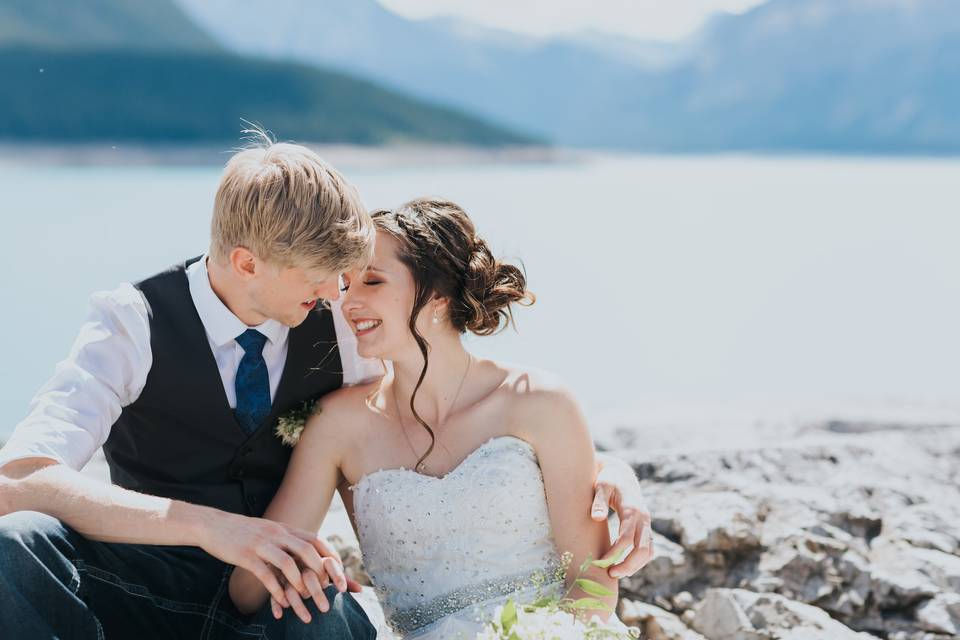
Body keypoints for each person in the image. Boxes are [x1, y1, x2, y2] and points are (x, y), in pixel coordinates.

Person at [0, 135, 382, 639]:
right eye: (317, 275)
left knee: (320, 605)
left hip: (274, 601)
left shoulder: (341, 330)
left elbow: (377, 467)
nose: (334, 291)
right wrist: (210, 526)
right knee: (15, 543)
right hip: (135, 590)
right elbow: (20, 480)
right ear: (247, 263)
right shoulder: (133, 321)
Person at [227, 198, 653, 638]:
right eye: (345, 284)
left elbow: (594, 585)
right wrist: (305, 568)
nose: (346, 302)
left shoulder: (540, 402)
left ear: (438, 295)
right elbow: (247, 592)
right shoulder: (335, 424)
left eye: (371, 280)